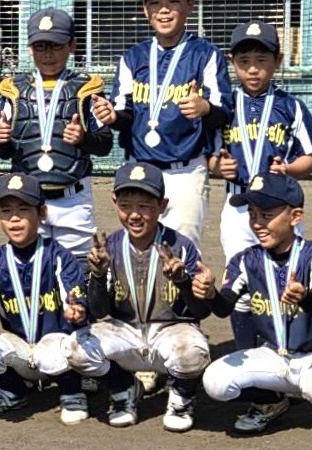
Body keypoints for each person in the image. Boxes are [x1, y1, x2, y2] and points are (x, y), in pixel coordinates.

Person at [201, 173, 312, 446]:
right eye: (252, 214)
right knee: (215, 381)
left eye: (267, 215)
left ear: (295, 216)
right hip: (273, 354)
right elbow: (224, 308)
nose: (257, 223)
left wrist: (304, 296)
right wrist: (211, 293)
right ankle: (271, 402)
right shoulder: (245, 260)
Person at [91, 0, 232, 247]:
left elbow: (224, 110)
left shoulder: (206, 54)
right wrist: (112, 116)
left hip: (185, 171)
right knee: (138, 249)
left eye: (173, 1)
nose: (164, 10)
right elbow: (124, 113)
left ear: (190, 5)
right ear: (145, 10)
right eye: (155, 2)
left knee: (182, 251)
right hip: (138, 169)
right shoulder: (133, 57)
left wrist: (204, 108)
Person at [208, 21, 312, 351]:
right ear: (232, 62)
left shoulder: (291, 106)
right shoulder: (223, 107)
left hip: (280, 208)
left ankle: (292, 348)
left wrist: (289, 168)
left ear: (278, 60)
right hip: (238, 207)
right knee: (241, 282)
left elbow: (311, 159)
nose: (253, 69)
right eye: (244, 61)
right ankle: (249, 353)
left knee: (289, 279)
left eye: (262, 60)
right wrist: (218, 167)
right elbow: (209, 157)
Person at [85, 161, 216, 432]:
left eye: (144, 206)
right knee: (76, 347)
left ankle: (181, 397)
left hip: (170, 330)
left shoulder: (181, 246)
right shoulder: (110, 247)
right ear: (114, 202)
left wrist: (182, 281)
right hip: (126, 331)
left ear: (162, 205)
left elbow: (201, 312)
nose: (134, 215)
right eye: (125, 205)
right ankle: (124, 388)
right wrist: (97, 275)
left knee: (194, 353)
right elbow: (98, 312)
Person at [0, 173, 107, 424]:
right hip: (21, 351)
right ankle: (12, 390)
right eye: (6, 211)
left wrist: (77, 310)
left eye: (24, 209)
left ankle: (71, 392)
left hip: (57, 349)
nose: (15, 218)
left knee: (73, 341)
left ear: (42, 212)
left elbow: (75, 296)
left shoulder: (59, 256)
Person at [0, 7, 112, 259]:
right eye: (40, 46)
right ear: (30, 48)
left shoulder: (87, 89)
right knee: (31, 269)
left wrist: (83, 138)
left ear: (72, 45)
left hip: (73, 199)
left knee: (79, 270)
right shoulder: (14, 90)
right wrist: (0, 139)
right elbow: (4, 153)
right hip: (27, 200)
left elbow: (105, 145)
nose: (48, 54)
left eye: (56, 46)